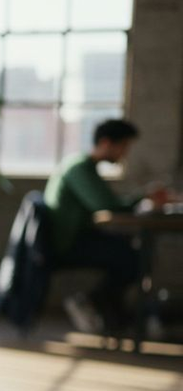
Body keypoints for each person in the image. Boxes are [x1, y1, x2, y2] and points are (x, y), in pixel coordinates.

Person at [44, 119, 169, 333]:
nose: (125, 153)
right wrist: (144, 197)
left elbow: (107, 204)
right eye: (124, 146)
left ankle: (111, 313)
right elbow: (106, 205)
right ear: (106, 143)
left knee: (134, 251)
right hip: (67, 243)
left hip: (77, 238)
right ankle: (101, 307)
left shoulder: (86, 167)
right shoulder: (79, 168)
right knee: (134, 257)